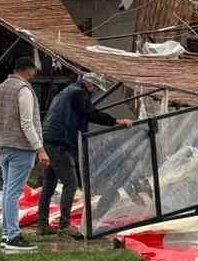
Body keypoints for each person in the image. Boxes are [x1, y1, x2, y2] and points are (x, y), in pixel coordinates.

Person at [40, 71, 130, 238]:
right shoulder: (79, 93)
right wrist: (116, 121)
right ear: (89, 84)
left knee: (49, 184)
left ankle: (43, 224)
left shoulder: (67, 91)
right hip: (60, 142)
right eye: (95, 88)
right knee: (71, 183)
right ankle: (65, 224)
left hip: (49, 139)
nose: (95, 91)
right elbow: (90, 113)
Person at [0, 57, 45, 253]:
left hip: (2, 144)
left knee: (7, 191)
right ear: (28, 71)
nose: (34, 75)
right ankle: (13, 235)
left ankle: (6, 233)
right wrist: (39, 148)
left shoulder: (0, 88)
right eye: (34, 71)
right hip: (21, 147)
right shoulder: (24, 90)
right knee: (13, 193)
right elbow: (27, 123)